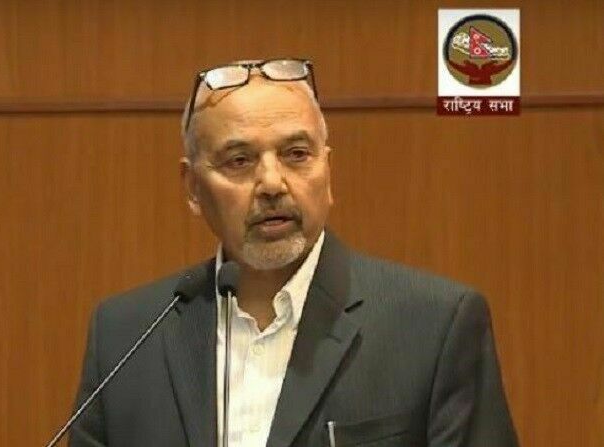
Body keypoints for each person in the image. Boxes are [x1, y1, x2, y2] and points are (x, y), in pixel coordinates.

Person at [68, 59, 517, 447]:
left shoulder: (434, 326)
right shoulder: (126, 335)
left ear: (328, 169)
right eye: (239, 160)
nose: (271, 183)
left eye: (296, 154)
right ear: (192, 188)